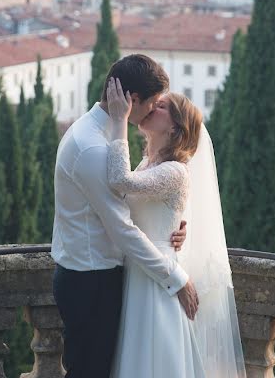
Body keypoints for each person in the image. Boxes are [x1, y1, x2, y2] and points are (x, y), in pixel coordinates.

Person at [51, 54, 198, 378]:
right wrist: (176, 278)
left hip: (103, 275)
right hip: (91, 280)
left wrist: (170, 224)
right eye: (155, 102)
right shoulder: (94, 148)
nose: (154, 109)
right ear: (132, 100)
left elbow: (128, 201)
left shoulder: (97, 136)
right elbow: (121, 227)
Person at [106, 78, 245, 378]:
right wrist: (179, 225)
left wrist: (119, 121)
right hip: (142, 274)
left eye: (163, 106)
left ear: (174, 128)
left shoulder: (174, 170)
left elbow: (120, 182)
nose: (153, 106)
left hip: (158, 284)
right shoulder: (148, 164)